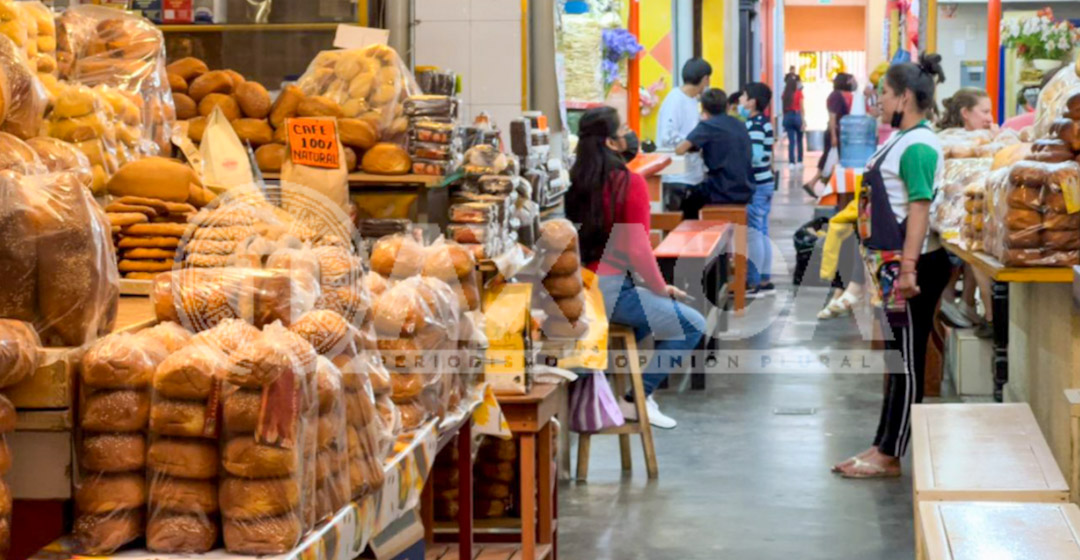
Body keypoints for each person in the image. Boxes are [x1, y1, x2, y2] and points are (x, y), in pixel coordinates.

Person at [834, 53, 950, 478]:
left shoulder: (919, 144)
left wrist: (908, 269)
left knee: (907, 359)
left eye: (884, 92)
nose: (878, 98)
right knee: (894, 359)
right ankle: (882, 443)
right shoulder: (900, 137)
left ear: (904, 96)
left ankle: (892, 455)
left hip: (911, 267)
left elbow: (919, 209)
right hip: (891, 263)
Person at [565, 107, 706, 430]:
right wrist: (660, 287)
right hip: (611, 290)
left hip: (578, 289)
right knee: (691, 325)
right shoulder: (628, 183)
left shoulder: (573, 182)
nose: (630, 133)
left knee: (642, 325)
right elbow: (638, 248)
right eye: (624, 128)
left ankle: (607, 396)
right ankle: (636, 398)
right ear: (611, 143)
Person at [936, 88, 996, 336]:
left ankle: (968, 304)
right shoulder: (952, 143)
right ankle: (989, 315)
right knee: (976, 241)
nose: (989, 118)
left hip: (965, 222)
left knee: (977, 233)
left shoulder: (982, 143)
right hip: (948, 225)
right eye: (984, 111)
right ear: (965, 113)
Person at [675, 88, 755, 220]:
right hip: (745, 189)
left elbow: (680, 149)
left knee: (686, 203)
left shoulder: (707, 126)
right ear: (727, 106)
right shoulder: (740, 124)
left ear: (704, 109)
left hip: (722, 191)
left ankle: (695, 237)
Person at [656, 58, 713, 212]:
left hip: (694, 174)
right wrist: (692, 143)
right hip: (678, 178)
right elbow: (666, 137)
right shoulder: (675, 99)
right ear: (704, 79)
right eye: (708, 80)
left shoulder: (693, 100)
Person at [741, 82, 776, 296]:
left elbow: (753, 156)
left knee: (753, 232)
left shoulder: (754, 125)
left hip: (756, 182)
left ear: (753, 102)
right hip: (766, 181)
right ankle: (764, 278)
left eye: (744, 97)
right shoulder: (765, 122)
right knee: (762, 231)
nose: (741, 101)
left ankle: (753, 282)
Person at [804, 73, 855, 197]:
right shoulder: (836, 96)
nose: (853, 82)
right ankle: (817, 183)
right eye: (850, 80)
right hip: (834, 132)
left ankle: (821, 185)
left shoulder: (840, 95)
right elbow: (832, 117)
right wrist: (834, 136)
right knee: (830, 159)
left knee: (830, 159)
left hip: (838, 133)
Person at [781, 74, 805, 168]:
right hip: (797, 115)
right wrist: (803, 121)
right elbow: (802, 108)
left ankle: (791, 162)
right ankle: (799, 161)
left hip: (788, 116)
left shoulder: (784, 94)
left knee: (791, 141)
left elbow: (783, 108)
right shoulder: (799, 93)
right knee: (799, 140)